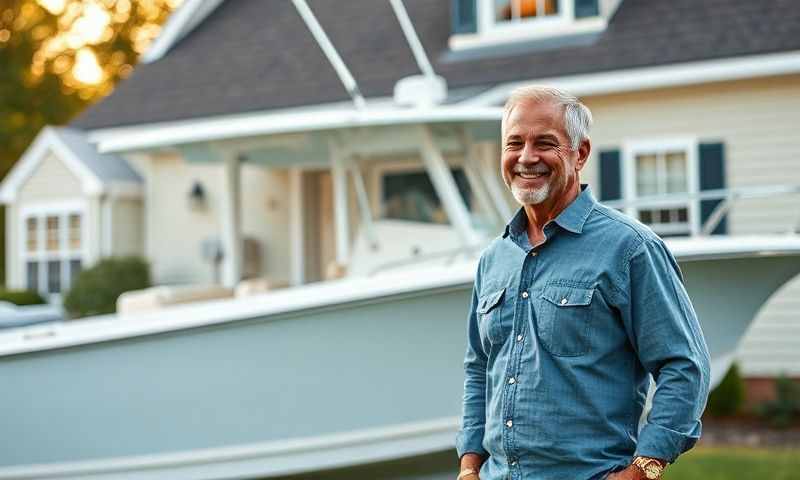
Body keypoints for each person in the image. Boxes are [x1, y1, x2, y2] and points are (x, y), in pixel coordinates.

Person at [456, 86, 710, 480]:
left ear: (581, 154)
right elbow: (479, 368)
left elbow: (685, 366)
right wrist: (470, 464)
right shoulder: (494, 259)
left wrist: (644, 469)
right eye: (514, 143)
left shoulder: (630, 248)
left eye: (545, 143)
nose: (526, 157)